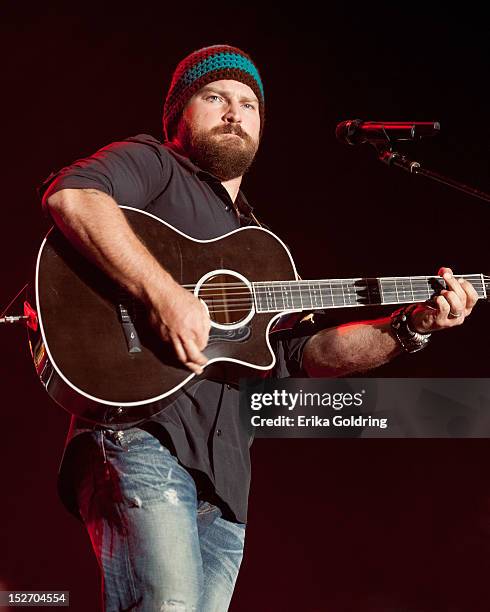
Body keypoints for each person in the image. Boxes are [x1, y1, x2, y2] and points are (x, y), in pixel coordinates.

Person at [40, 45, 477, 612]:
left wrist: (410, 327)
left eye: (249, 104)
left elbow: (307, 355)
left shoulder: (261, 244)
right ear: (178, 115)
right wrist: (164, 293)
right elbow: (73, 195)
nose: (234, 112)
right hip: (139, 433)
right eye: (215, 96)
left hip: (224, 489)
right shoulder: (154, 163)